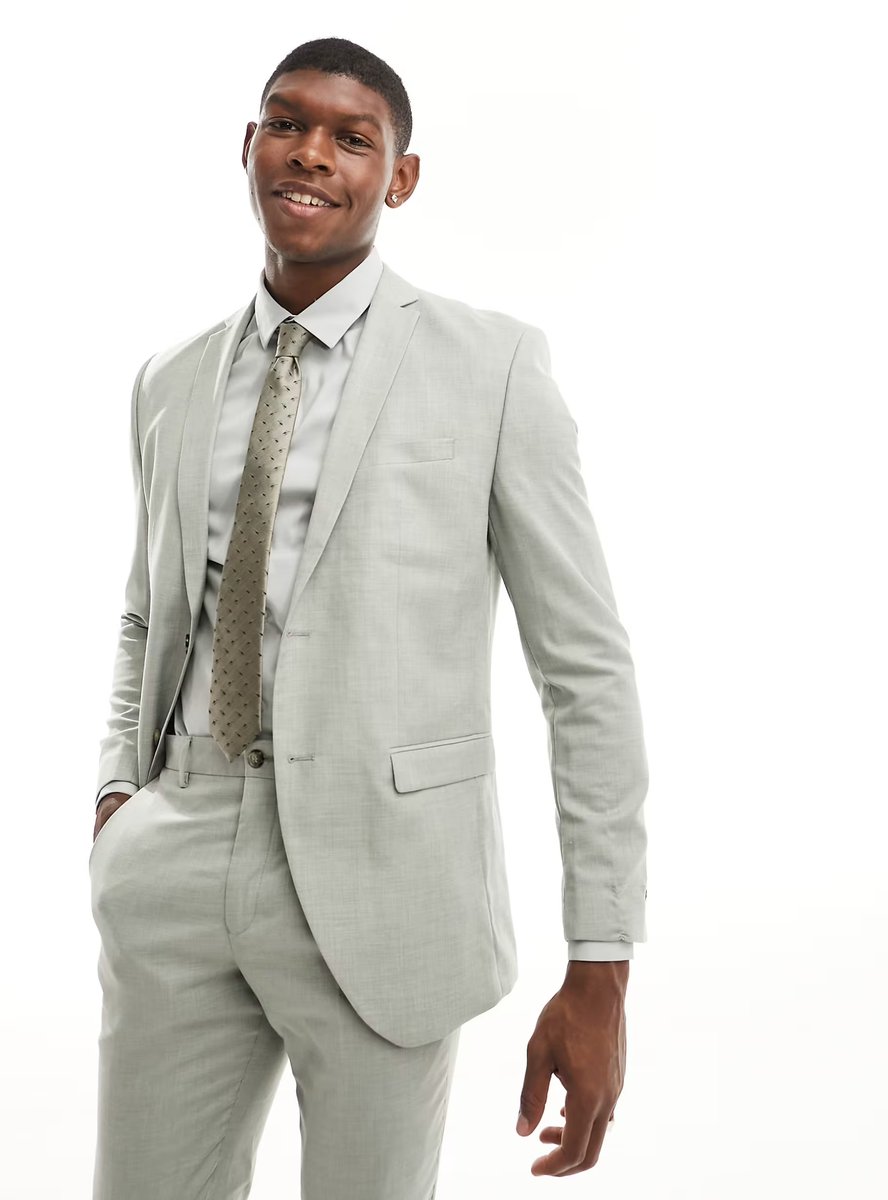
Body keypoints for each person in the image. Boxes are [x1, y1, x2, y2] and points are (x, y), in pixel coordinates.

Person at [88, 35, 649, 1198]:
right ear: (248, 145)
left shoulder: (492, 366)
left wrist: (600, 961)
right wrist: (117, 799)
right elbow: (148, 613)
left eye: (352, 138)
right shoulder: (169, 380)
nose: (311, 154)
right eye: (287, 123)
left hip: (387, 884)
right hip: (176, 855)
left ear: (399, 178)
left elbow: (583, 670)